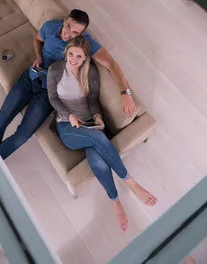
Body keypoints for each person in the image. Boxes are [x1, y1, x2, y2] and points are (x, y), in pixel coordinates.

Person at [0, 9, 136, 160]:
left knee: (22, 136)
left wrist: (126, 93)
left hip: (48, 93)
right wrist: (39, 56)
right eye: (67, 26)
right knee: (1, 119)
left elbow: (112, 64)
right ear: (64, 20)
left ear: (80, 34)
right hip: (30, 77)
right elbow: (37, 39)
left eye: (75, 32)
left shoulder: (83, 44)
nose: (68, 34)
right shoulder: (50, 27)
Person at [47, 36, 157, 232]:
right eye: (71, 53)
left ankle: (115, 201)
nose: (73, 58)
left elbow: (92, 101)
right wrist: (70, 115)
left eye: (78, 56)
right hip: (67, 126)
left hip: (90, 124)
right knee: (98, 138)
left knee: (97, 161)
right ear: (66, 52)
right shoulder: (56, 69)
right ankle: (130, 182)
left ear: (85, 58)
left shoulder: (90, 73)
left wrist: (97, 116)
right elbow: (53, 98)